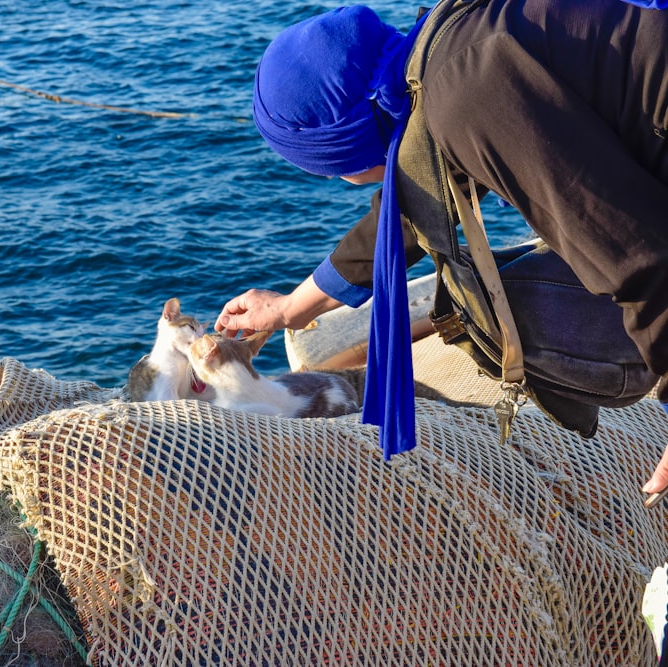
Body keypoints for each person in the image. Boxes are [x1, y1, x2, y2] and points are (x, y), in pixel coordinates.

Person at [213, 1, 668, 493]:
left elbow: (638, 256)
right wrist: (288, 309)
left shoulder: (470, 97)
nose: (343, 181)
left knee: (502, 305)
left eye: (329, 167)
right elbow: (413, 204)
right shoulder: (443, 49)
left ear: (347, 142)